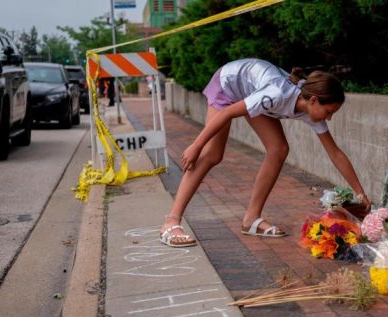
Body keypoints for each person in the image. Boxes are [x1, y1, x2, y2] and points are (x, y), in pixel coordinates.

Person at [159, 58, 371, 247]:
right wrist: (196, 145)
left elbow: (335, 153)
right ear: (314, 100)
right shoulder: (276, 95)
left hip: (251, 92)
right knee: (212, 154)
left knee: (278, 149)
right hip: (228, 84)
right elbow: (226, 113)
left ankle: (251, 219)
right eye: (329, 112)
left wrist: (360, 194)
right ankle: (171, 221)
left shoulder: (309, 110)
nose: (329, 118)